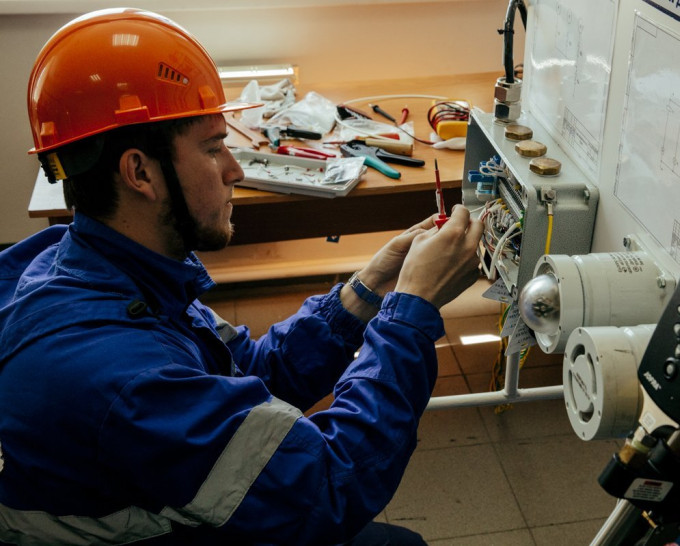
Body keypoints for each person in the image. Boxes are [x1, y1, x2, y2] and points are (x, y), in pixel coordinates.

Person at [0, 8, 482, 546]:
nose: (235, 169)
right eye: (213, 148)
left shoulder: (108, 266)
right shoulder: (120, 374)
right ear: (140, 172)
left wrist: (367, 289)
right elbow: (327, 488)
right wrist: (411, 312)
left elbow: (249, 371)